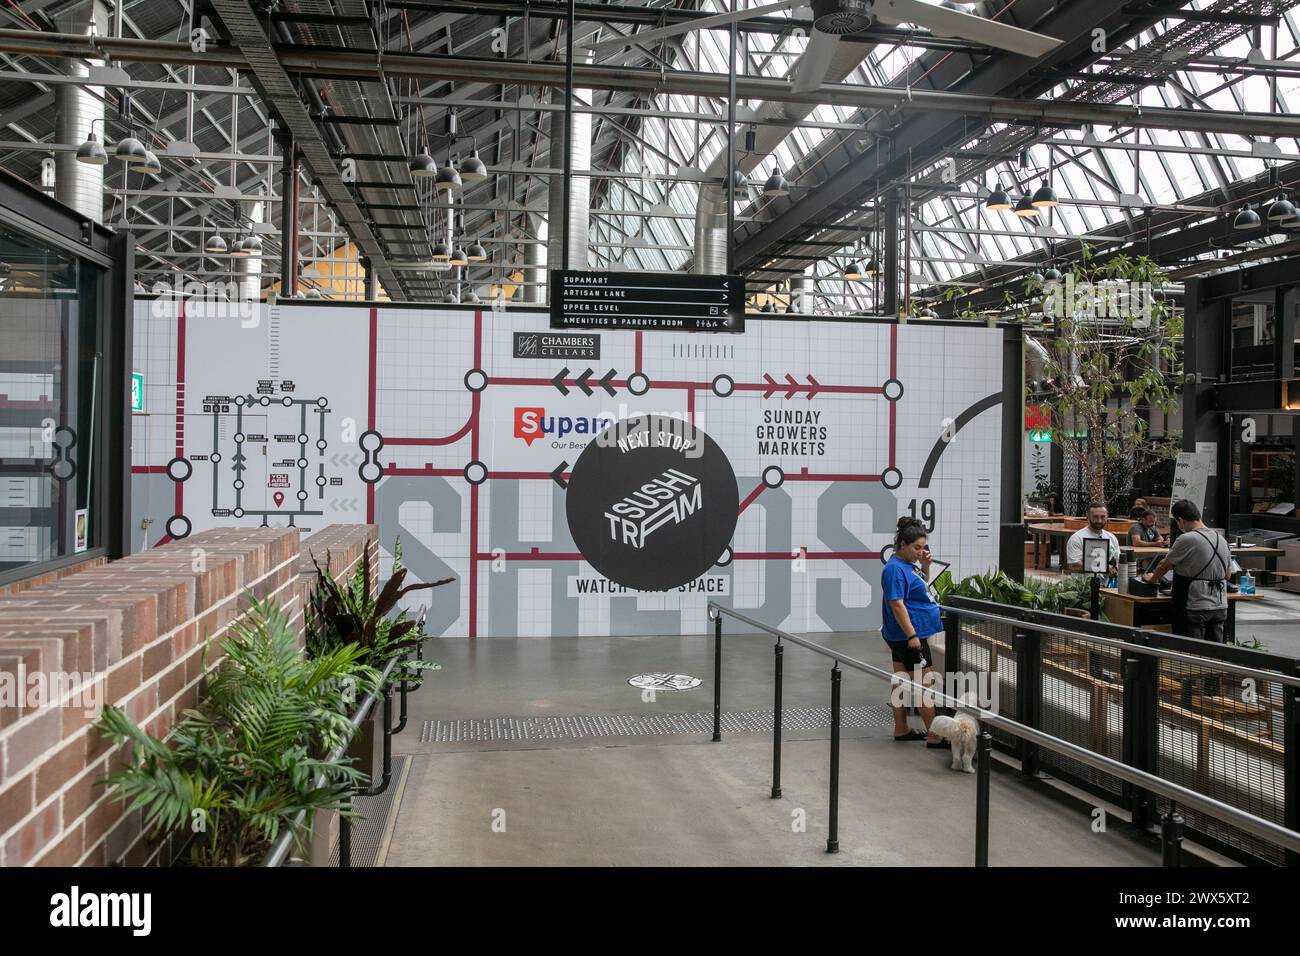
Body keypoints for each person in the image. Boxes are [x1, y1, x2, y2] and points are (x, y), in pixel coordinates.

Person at [880, 517, 943, 746]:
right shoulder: (895, 569)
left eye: (923, 547)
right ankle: (935, 735)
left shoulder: (908, 566)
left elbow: (922, 587)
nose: (920, 551)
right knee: (924, 684)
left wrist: (926, 565)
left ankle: (901, 728)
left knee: (901, 680)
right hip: (907, 636)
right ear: (903, 545)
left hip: (905, 635)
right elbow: (896, 603)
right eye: (916, 547)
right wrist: (912, 635)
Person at [1142, 500, 1232, 642]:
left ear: (1180, 520)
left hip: (1194, 604)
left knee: (1189, 652)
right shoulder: (1221, 539)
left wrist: (1151, 579)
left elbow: (1164, 565)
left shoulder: (1186, 539)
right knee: (1215, 653)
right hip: (1220, 606)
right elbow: (1227, 575)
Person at [1065, 502, 1120, 575]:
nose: (1099, 520)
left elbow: (1118, 561)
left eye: (1103, 517)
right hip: (1085, 585)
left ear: (1107, 517)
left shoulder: (1112, 537)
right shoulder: (1077, 538)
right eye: (1095, 517)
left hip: (1109, 585)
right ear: (1087, 517)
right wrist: (1103, 567)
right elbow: (1074, 566)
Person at [1127, 508, 1167, 575]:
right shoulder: (1136, 528)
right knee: (1147, 560)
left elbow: (1160, 539)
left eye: (1154, 522)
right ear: (1143, 519)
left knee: (1162, 560)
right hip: (1137, 557)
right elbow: (1136, 542)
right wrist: (1156, 544)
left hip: (1149, 554)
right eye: (1151, 521)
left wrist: (1162, 542)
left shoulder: (1152, 528)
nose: (1153, 524)